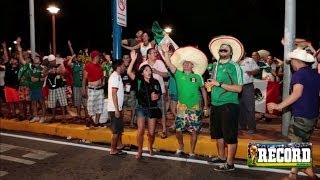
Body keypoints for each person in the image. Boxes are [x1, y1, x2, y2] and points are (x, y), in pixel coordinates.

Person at [267, 48, 320, 180]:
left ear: (296, 61)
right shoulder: (315, 74)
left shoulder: (299, 75)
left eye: (291, 61)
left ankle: (293, 175)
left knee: (295, 144)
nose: (291, 64)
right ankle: (308, 169)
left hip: (301, 114)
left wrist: (278, 106)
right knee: (303, 142)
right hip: (312, 114)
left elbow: (297, 93)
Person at [161, 44, 208, 157]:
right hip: (181, 107)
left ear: (192, 65)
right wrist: (166, 52)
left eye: (188, 63)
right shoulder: (178, 74)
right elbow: (169, 63)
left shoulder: (198, 77)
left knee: (193, 131)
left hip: (195, 107)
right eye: (184, 63)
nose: (186, 64)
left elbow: (203, 91)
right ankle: (181, 145)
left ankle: (192, 150)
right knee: (178, 130)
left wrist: (206, 106)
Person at [206, 35, 244, 171]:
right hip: (215, 104)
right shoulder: (215, 66)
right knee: (218, 134)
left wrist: (219, 84)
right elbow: (215, 83)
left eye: (225, 50)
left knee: (230, 135)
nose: (222, 51)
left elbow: (239, 88)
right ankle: (221, 157)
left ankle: (230, 163)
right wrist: (210, 84)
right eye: (221, 50)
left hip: (229, 104)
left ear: (231, 53)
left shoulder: (235, 67)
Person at [127, 50, 162, 160]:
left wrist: (156, 97)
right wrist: (133, 61)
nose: (149, 72)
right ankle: (140, 150)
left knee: (151, 133)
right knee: (141, 130)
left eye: (150, 70)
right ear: (142, 72)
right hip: (141, 108)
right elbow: (129, 72)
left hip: (152, 108)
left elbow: (159, 94)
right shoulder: (138, 81)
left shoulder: (155, 82)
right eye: (146, 70)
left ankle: (150, 146)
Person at [139, 48, 168, 138]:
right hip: (147, 93)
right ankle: (152, 129)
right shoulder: (143, 64)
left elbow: (166, 75)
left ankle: (164, 130)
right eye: (154, 53)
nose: (156, 54)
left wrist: (157, 72)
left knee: (162, 111)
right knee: (150, 111)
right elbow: (139, 78)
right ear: (148, 55)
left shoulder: (160, 63)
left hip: (160, 91)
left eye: (156, 52)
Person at [108, 60, 127, 155]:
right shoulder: (115, 77)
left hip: (117, 107)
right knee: (115, 131)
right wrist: (116, 109)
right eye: (123, 66)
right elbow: (113, 93)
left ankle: (119, 145)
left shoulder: (118, 76)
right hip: (114, 108)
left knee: (119, 129)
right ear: (118, 67)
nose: (125, 67)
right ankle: (113, 149)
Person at [82, 51, 105, 128]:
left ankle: (96, 122)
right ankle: (89, 119)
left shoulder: (100, 66)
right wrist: (83, 89)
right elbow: (84, 79)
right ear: (95, 57)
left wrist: (103, 80)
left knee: (100, 106)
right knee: (91, 106)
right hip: (92, 89)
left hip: (100, 89)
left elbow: (102, 76)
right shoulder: (88, 66)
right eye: (98, 56)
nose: (99, 58)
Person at [238, 54, 259, 133]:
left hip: (248, 86)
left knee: (249, 107)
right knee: (239, 107)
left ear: (244, 52)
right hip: (237, 87)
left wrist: (252, 72)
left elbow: (257, 70)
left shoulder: (250, 60)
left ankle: (251, 127)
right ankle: (241, 125)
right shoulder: (235, 61)